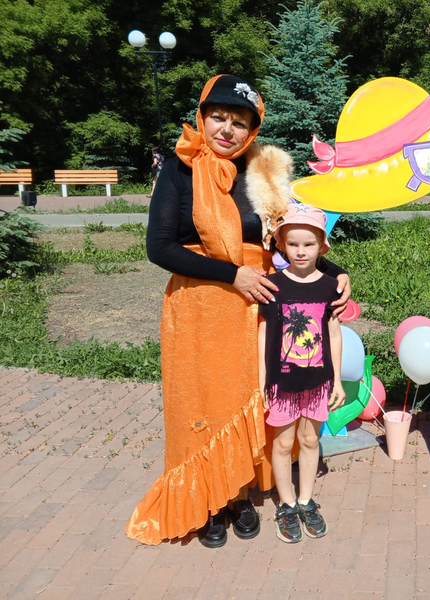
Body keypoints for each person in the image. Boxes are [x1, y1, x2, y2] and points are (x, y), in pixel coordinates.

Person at [125, 74, 351, 548]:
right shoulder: (179, 169)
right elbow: (159, 247)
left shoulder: (259, 171)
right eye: (219, 117)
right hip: (199, 309)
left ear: (252, 130)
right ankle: (207, 500)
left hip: (258, 309)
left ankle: (240, 492)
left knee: (250, 398)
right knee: (202, 403)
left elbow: (286, 236)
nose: (227, 130)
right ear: (202, 117)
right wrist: (233, 275)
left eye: (240, 122)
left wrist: (333, 271)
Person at [258, 203, 346, 543]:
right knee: (282, 444)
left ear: (322, 247)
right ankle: (286, 504)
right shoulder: (272, 285)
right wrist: (262, 381)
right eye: (293, 244)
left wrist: (337, 381)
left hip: (317, 383)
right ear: (282, 245)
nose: (300, 251)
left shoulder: (330, 287)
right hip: (281, 384)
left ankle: (306, 501)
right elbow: (263, 335)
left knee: (310, 440)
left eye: (309, 244)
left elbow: (334, 334)